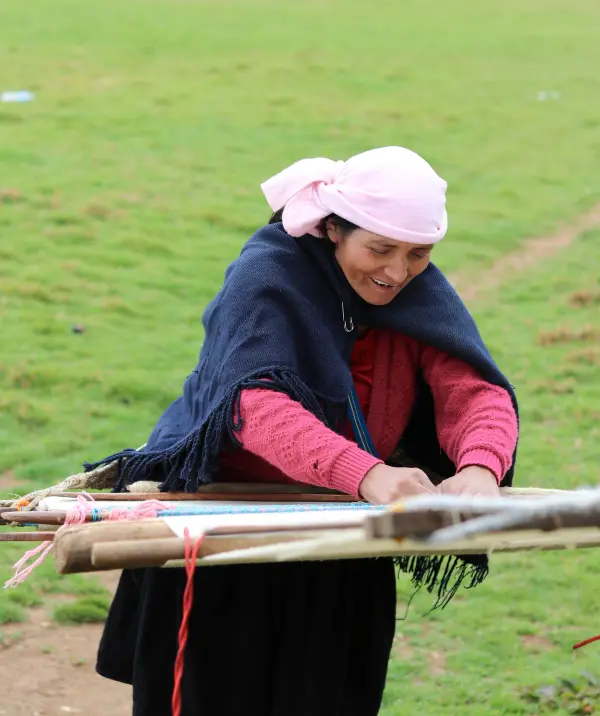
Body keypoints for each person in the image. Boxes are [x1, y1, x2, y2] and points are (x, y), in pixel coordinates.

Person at [94, 147, 519, 716]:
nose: (397, 272)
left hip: (344, 541)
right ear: (335, 229)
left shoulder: (416, 293)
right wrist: (367, 474)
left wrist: (478, 468)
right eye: (380, 249)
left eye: (419, 253)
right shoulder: (267, 276)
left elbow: (475, 391)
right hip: (224, 537)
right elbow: (253, 406)